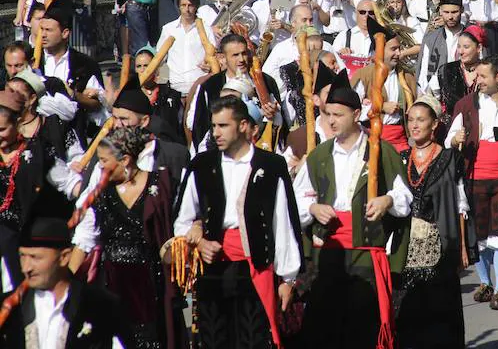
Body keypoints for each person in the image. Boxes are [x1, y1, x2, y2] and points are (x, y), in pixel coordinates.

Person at [294, 72, 412, 349]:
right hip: (327, 253)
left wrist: (387, 201)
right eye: (328, 114)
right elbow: (296, 200)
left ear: (357, 114)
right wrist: (312, 207)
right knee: (326, 327)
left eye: (338, 114)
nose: (332, 120)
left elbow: (405, 196)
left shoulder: (382, 151)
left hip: (366, 252)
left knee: (363, 327)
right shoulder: (319, 156)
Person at [175, 96, 303, 349]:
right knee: (213, 338)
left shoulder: (271, 166)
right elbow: (182, 220)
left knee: (254, 338)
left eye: (223, 126)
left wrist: (288, 279)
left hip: (255, 267)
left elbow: (283, 224)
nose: (216, 133)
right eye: (213, 126)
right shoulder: (201, 165)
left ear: (244, 126)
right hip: (212, 269)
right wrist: (199, 241)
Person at [69, 126, 186, 349]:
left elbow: (181, 222)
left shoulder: (161, 185)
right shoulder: (100, 194)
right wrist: (68, 281)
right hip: (113, 283)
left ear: (124, 160)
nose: (100, 167)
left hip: (152, 283)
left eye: (104, 161)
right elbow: (84, 241)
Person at [445, 55, 498, 311]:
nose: (477, 80)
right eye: (476, 76)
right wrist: (455, 138)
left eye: (482, 76)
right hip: (475, 176)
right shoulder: (466, 104)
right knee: (479, 234)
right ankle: (484, 282)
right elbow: (448, 140)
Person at [396, 94, 473, 348]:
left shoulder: (450, 159)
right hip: (407, 247)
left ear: (434, 125)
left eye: (421, 120)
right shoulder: (402, 159)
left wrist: (462, 247)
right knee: (409, 310)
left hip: (440, 245)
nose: (414, 125)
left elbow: (461, 204)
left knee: (439, 310)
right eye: (410, 120)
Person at [0, 217, 134, 348]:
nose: (26, 268)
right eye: (22, 256)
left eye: (35, 258)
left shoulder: (101, 307)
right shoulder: (10, 310)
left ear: (64, 257)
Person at [0, 89, 81, 297]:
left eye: (2, 129)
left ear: (17, 123)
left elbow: (70, 183)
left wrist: (94, 194)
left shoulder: (37, 153)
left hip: (23, 245)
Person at [187, 34, 282, 152]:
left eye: (244, 53)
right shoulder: (211, 86)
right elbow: (198, 125)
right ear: (223, 57)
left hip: (260, 147)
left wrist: (272, 115)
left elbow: (279, 121)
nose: (241, 59)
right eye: (235, 55)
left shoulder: (266, 82)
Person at [36, 0, 104, 140]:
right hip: (39, 135)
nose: (43, 35)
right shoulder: (34, 61)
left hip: (76, 135)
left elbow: (97, 105)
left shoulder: (85, 64)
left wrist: (74, 95)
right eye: (42, 29)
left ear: (65, 33)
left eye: (49, 30)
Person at [350, 18, 417, 153]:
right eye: (393, 49)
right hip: (371, 137)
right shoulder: (364, 76)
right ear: (379, 49)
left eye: (399, 49)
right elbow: (351, 110)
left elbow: (421, 104)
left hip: (400, 140)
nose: (398, 53)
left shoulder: (408, 78)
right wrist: (379, 107)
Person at [157, 0, 216, 97]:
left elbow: (213, 56)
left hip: (199, 87)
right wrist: (163, 85)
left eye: (190, 5)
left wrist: (209, 66)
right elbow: (161, 60)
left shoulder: (206, 29)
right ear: (178, 6)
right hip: (175, 89)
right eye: (183, 5)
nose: (187, 9)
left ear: (196, 6)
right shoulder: (168, 29)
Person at [428, 26, 484, 127]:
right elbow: (431, 99)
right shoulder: (446, 70)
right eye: (459, 46)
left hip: (480, 129)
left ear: (479, 48)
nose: (461, 51)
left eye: (466, 47)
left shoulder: (488, 71)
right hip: (450, 130)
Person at [415, 0, 465, 91]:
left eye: (454, 12)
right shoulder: (431, 38)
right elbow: (424, 71)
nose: (450, 17)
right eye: (446, 12)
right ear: (440, 11)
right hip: (437, 92)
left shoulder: (471, 35)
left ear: (462, 10)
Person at [134, 45, 183, 141]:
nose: (143, 70)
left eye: (146, 65)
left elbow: (179, 125)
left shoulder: (170, 95)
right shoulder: (131, 96)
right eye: (139, 66)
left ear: (155, 67)